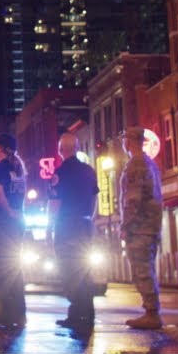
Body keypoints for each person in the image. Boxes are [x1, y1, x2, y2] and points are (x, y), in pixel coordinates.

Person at [48, 132, 98, 334]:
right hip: (85, 225)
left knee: (69, 270)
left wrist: (50, 228)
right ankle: (88, 313)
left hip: (66, 226)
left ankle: (77, 313)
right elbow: (94, 198)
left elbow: (55, 203)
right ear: (77, 148)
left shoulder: (60, 173)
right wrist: (89, 218)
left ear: (60, 150)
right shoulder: (89, 171)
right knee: (85, 269)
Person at [120, 125, 165, 330]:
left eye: (125, 139)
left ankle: (151, 313)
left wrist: (125, 225)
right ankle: (151, 311)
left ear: (129, 141)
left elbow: (133, 200)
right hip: (150, 226)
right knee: (147, 268)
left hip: (140, 228)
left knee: (142, 270)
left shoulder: (136, 165)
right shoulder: (150, 164)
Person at [0, 133, 27, 329]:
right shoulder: (18, 168)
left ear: (0, 148)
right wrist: (16, 212)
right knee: (13, 267)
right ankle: (18, 312)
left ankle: (4, 312)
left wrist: (8, 211)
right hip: (17, 223)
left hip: (2, 223)